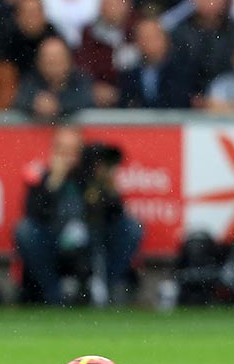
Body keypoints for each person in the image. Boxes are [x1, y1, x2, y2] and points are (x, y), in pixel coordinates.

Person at [14, 127, 142, 306]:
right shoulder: (42, 178)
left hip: (91, 242)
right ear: (54, 152)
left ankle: (106, 291)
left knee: (131, 228)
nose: (68, 157)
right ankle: (54, 296)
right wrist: (54, 181)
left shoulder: (90, 177)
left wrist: (107, 183)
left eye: (73, 151)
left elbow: (115, 213)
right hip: (54, 243)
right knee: (25, 230)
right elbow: (33, 214)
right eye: (63, 151)